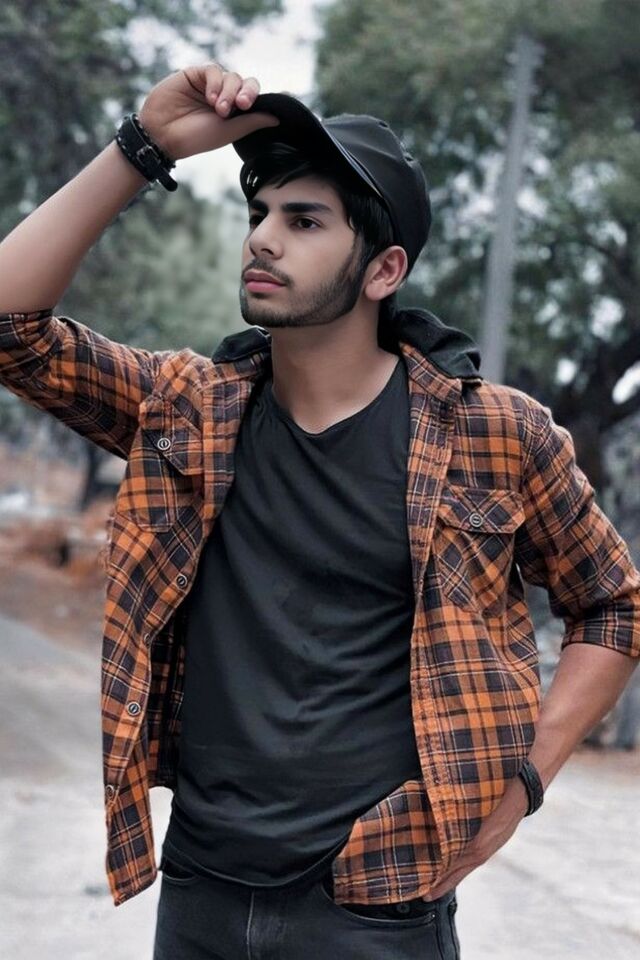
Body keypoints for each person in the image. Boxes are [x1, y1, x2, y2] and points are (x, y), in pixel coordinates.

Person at [0, 62, 638, 960]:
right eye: (260, 215)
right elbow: (12, 327)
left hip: (377, 901)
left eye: (304, 222)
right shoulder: (190, 410)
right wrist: (141, 149)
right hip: (201, 889)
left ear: (384, 269)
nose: (263, 239)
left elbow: (611, 604)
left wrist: (524, 784)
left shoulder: (494, 434)